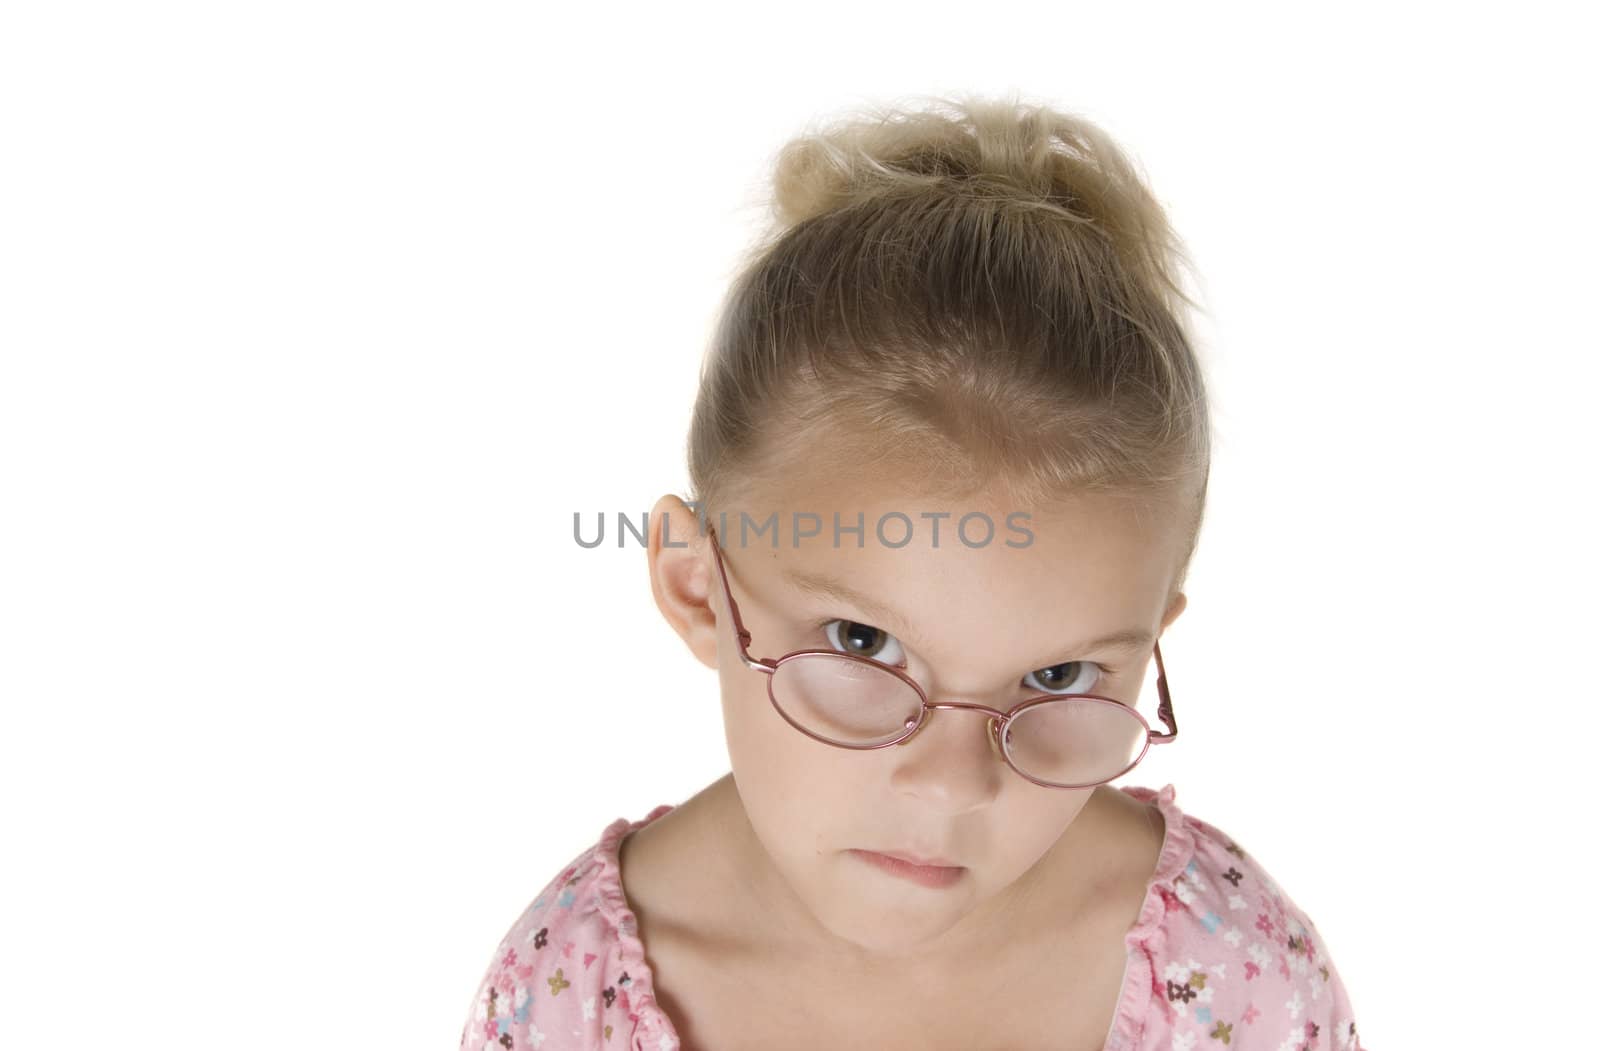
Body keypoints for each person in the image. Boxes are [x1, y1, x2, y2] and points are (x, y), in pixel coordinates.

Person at [458, 93, 1367, 1051]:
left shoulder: (1238, 978)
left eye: (1058, 677)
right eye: (864, 642)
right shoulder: (565, 999)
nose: (951, 786)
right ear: (698, 587)